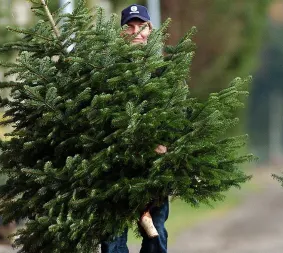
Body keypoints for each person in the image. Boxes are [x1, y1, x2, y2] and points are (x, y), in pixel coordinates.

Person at [100, 4, 169, 253]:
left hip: (153, 168)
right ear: (121, 33)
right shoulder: (107, 72)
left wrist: (164, 143)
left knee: (156, 232)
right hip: (114, 169)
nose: (136, 32)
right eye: (129, 27)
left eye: (142, 26)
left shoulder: (163, 72)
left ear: (150, 29)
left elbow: (176, 115)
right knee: (112, 237)